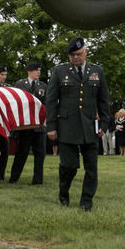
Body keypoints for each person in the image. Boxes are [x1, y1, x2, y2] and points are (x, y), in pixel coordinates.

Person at [46, 37, 110, 211]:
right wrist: (51, 126)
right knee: (69, 166)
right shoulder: (59, 72)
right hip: (67, 127)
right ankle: (63, 192)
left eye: (79, 54)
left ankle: (86, 202)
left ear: (86, 52)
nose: (76, 58)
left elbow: (104, 100)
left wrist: (104, 124)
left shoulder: (97, 71)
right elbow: (51, 101)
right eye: (72, 55)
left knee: (92, 169)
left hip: (90, 127)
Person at [9, 62, 47, 185]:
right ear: (29, 72)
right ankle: (14, 178)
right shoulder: (20, 84)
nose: (38, 72)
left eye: (39, 70)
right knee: (21, 152)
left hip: (39, 125)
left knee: (40, 153)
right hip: (25, 125)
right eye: (36, 70)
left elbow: (46, 104)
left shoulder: (43, 86)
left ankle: (38, 180)